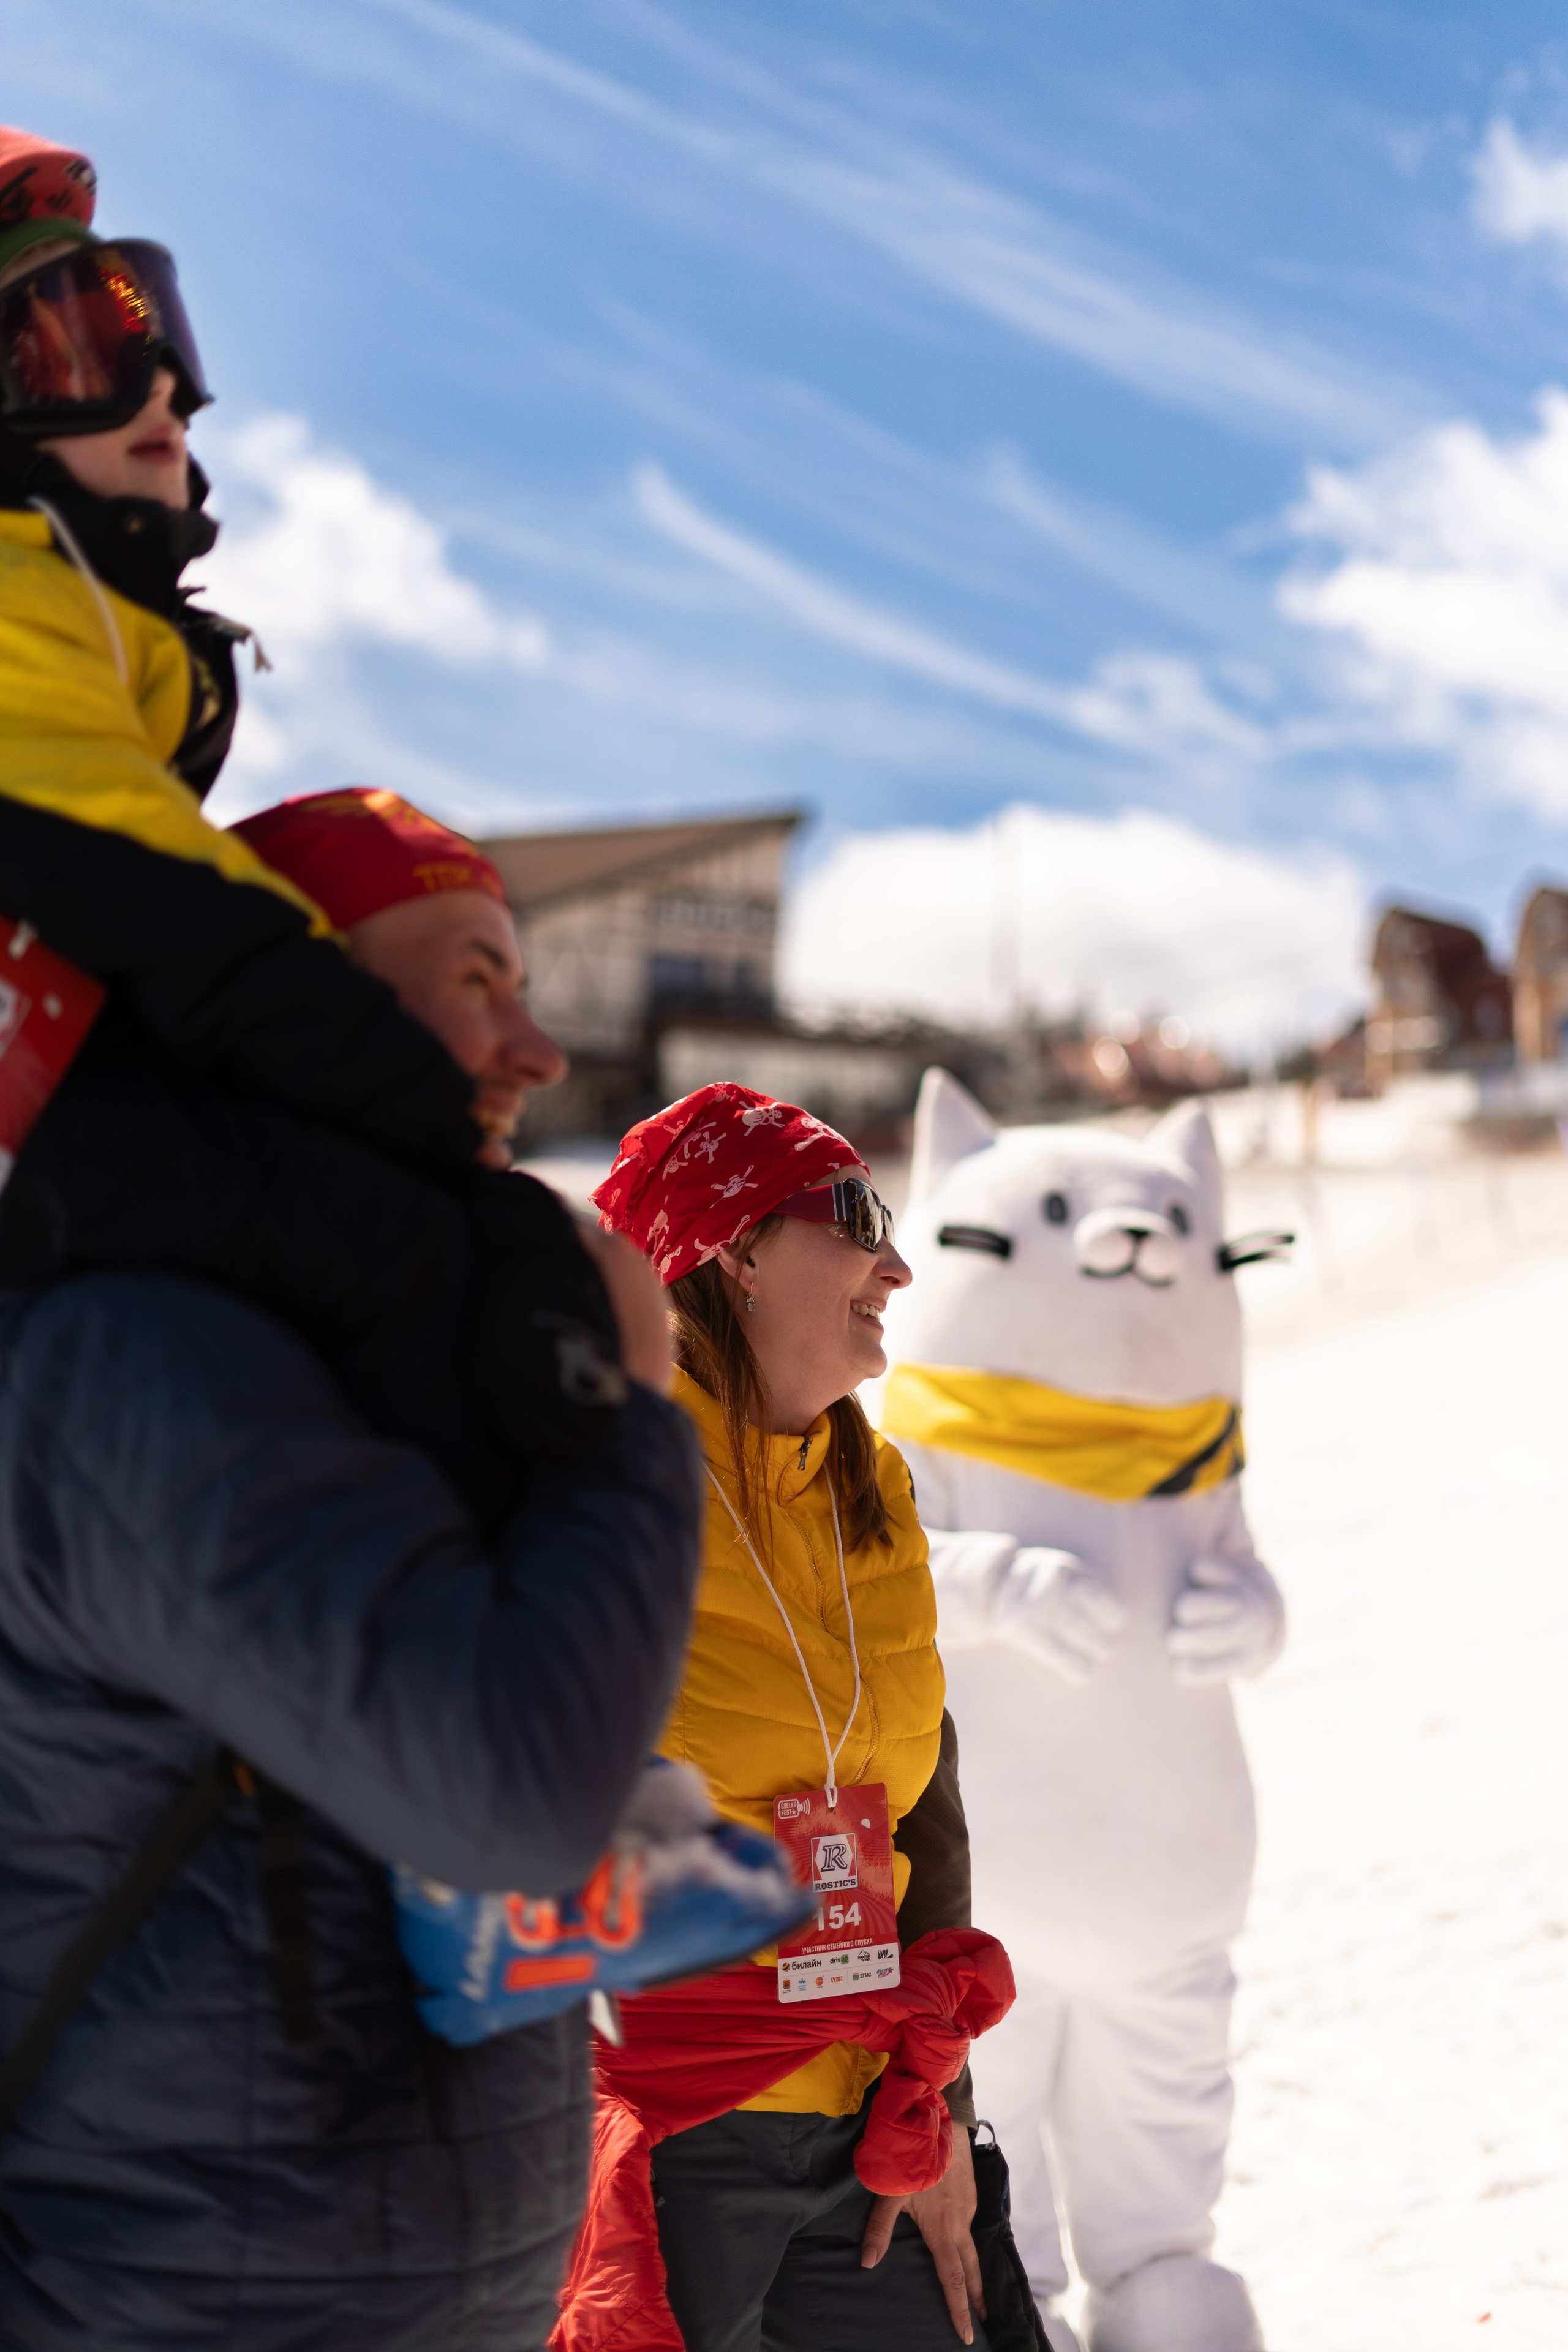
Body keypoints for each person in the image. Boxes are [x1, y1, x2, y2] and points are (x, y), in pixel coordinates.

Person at [0, 124, 633, 1526]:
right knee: (385, 1247)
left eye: (150, 323)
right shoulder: (17, 598)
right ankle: (495, 1630)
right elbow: (133, 870)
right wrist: (368, 1059)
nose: (156, 376)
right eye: (69, 347)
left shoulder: (96, 614)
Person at [590, 1085, 996, 2352]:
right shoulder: (598, 1475)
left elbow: (924, 1827)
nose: (897, 1262)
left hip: (869, 2115)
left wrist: (935, 2111)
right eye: (855, 1215)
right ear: (734, 1250)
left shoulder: (869, 1486)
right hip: (672, 2124)